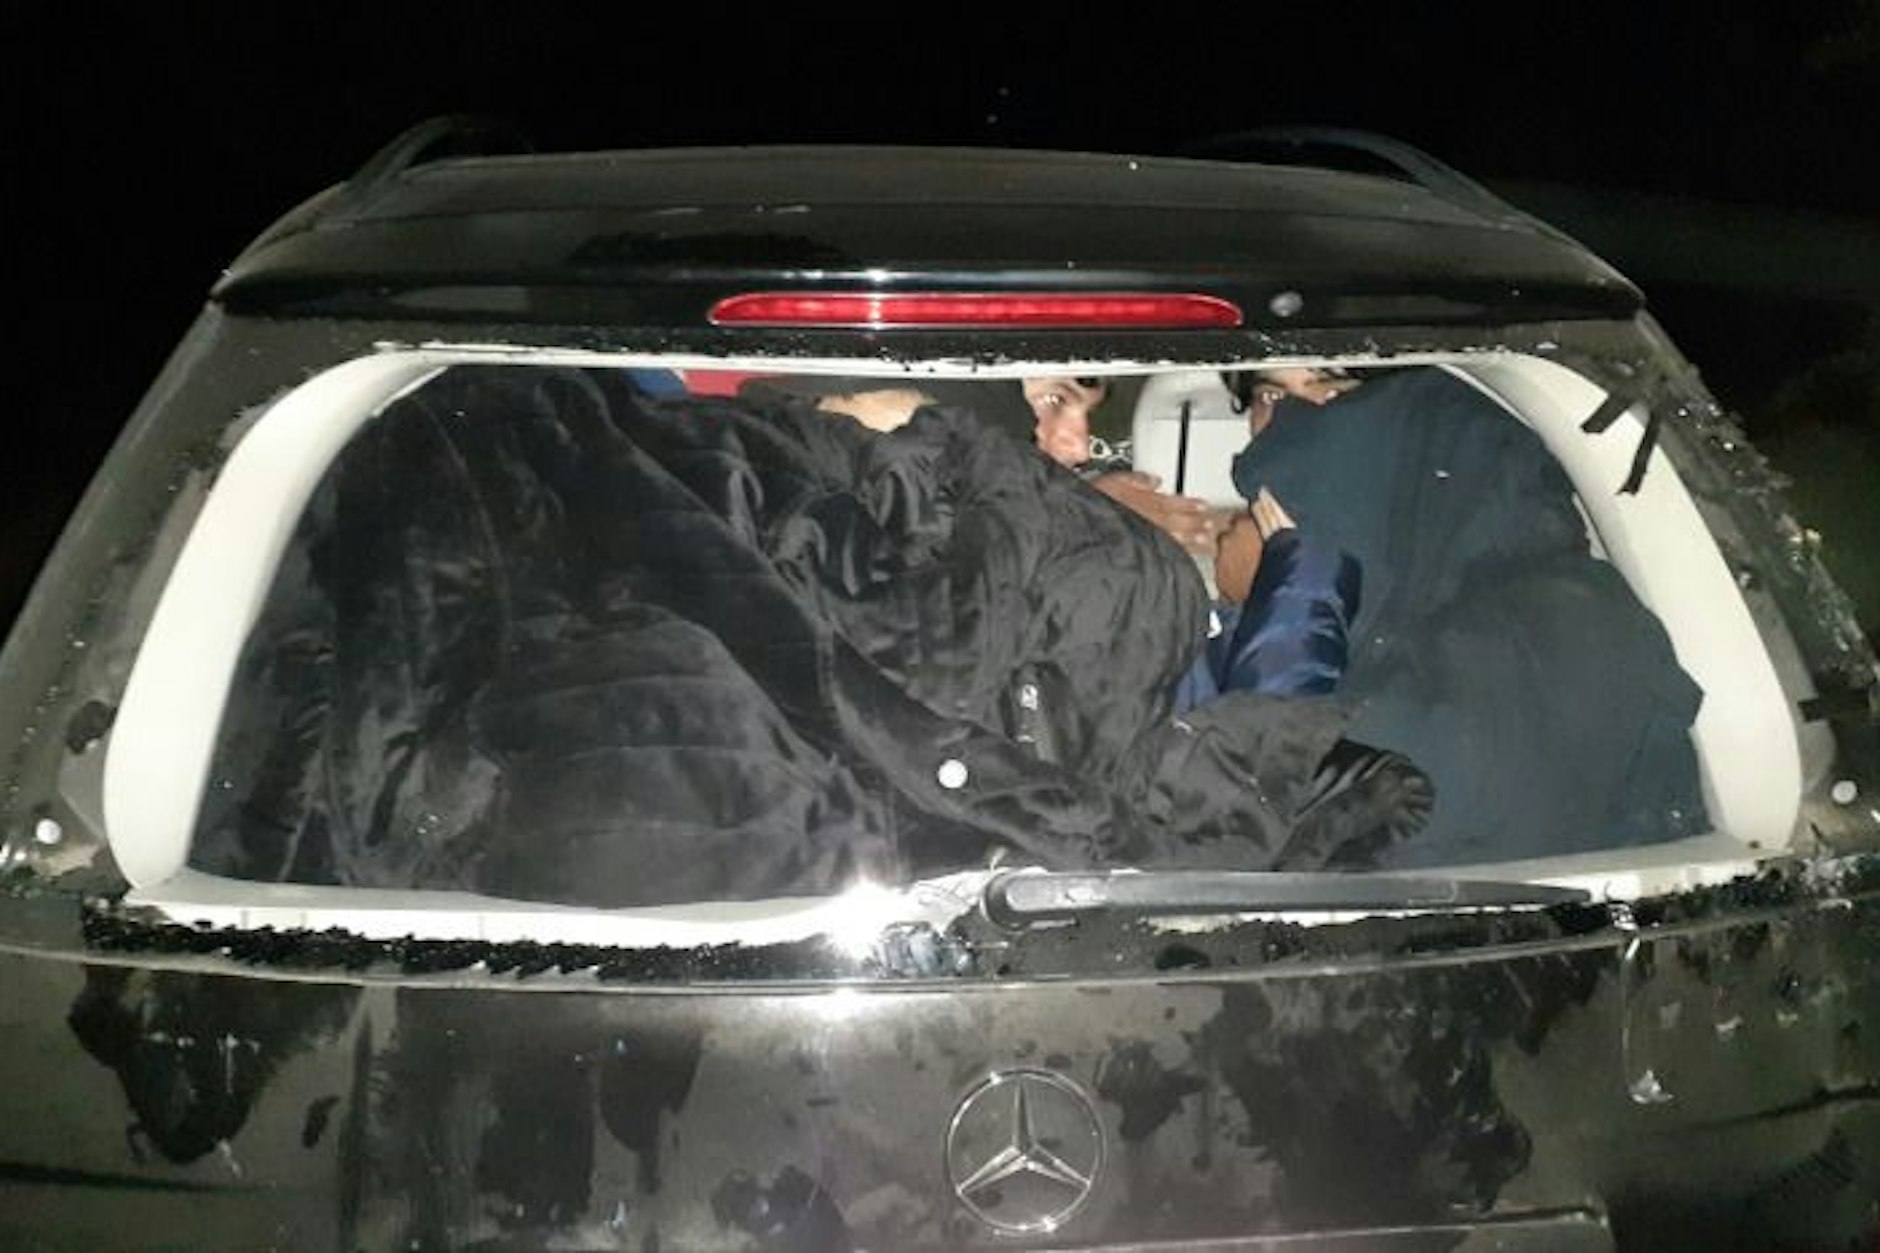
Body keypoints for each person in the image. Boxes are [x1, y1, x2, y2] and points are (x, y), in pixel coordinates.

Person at [1227, 364, 1708, 864]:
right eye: (1270, 396)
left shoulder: (1549, 632)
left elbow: (1276, 812)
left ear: (1413, 415)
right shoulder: (1394, 601)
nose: (1296, 422)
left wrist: (1279, 597)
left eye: (1333, 390)